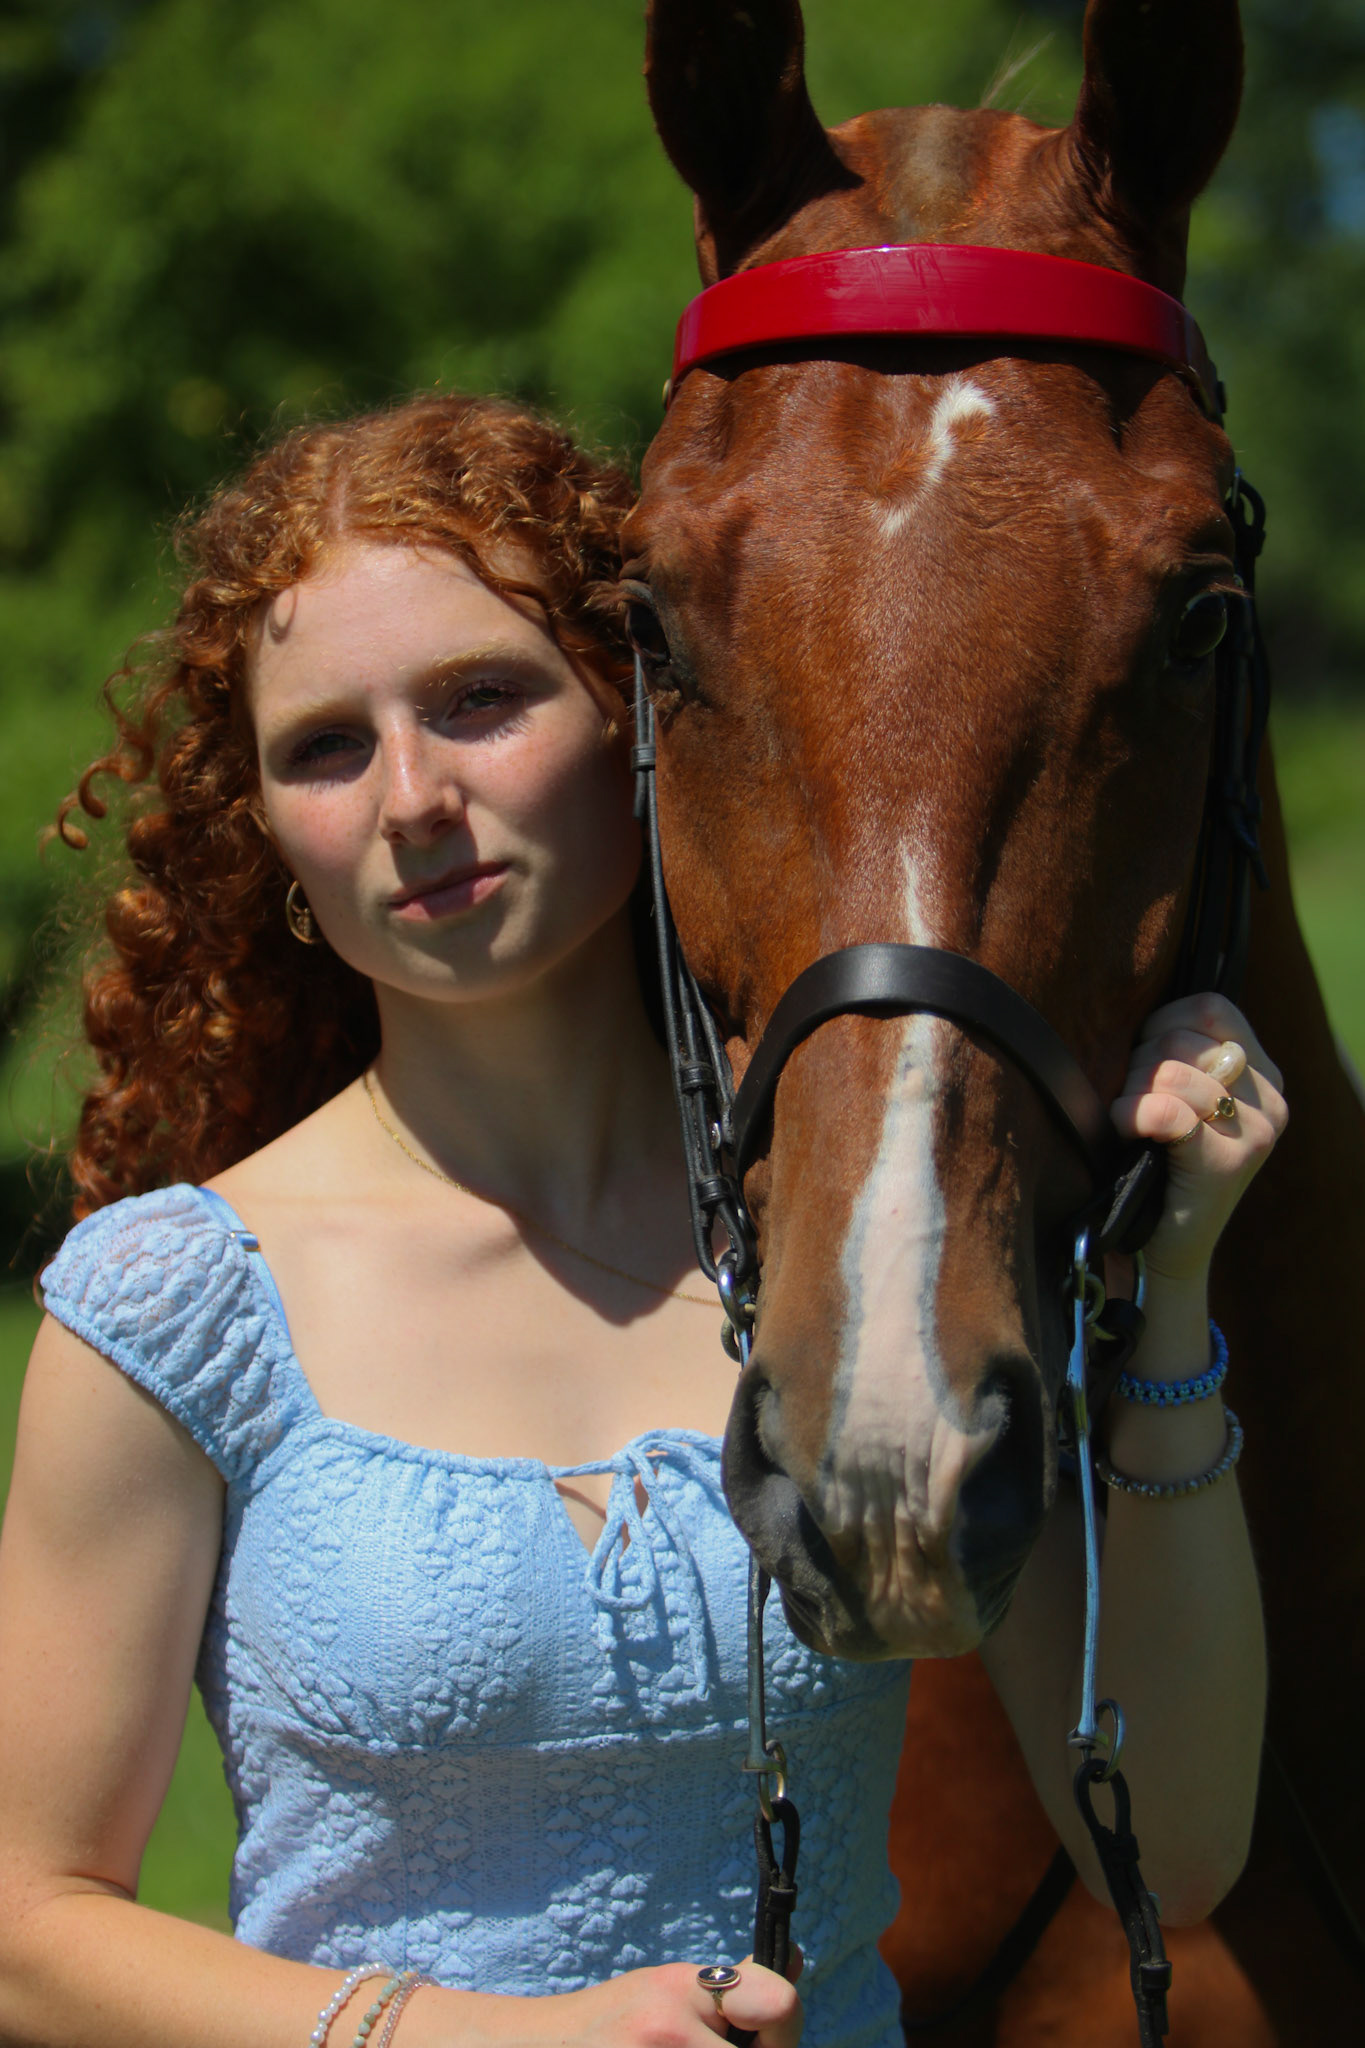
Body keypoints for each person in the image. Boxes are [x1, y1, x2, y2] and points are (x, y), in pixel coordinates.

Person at [0, 392, 1280, 2048]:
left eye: (479, 701)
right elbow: (27, 1932)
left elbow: (1171, 1846)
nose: (411, 797)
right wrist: (482, 2040)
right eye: (326, 746)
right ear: (270, 828)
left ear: (646, 720)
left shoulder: (867, 1245)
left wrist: (1166, 1282)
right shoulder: (178, 1302)